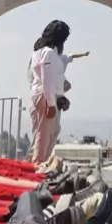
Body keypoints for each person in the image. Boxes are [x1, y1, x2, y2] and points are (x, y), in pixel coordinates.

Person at [28, 21, 71, 163]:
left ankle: (38, 166)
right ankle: (36, 168)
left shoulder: (43, 52)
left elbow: (52, 80)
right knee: (43, 136)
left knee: (49, 135)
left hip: (48, 96)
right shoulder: (48, 53)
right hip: (45, 97)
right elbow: (46, 81)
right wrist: (51, 104)